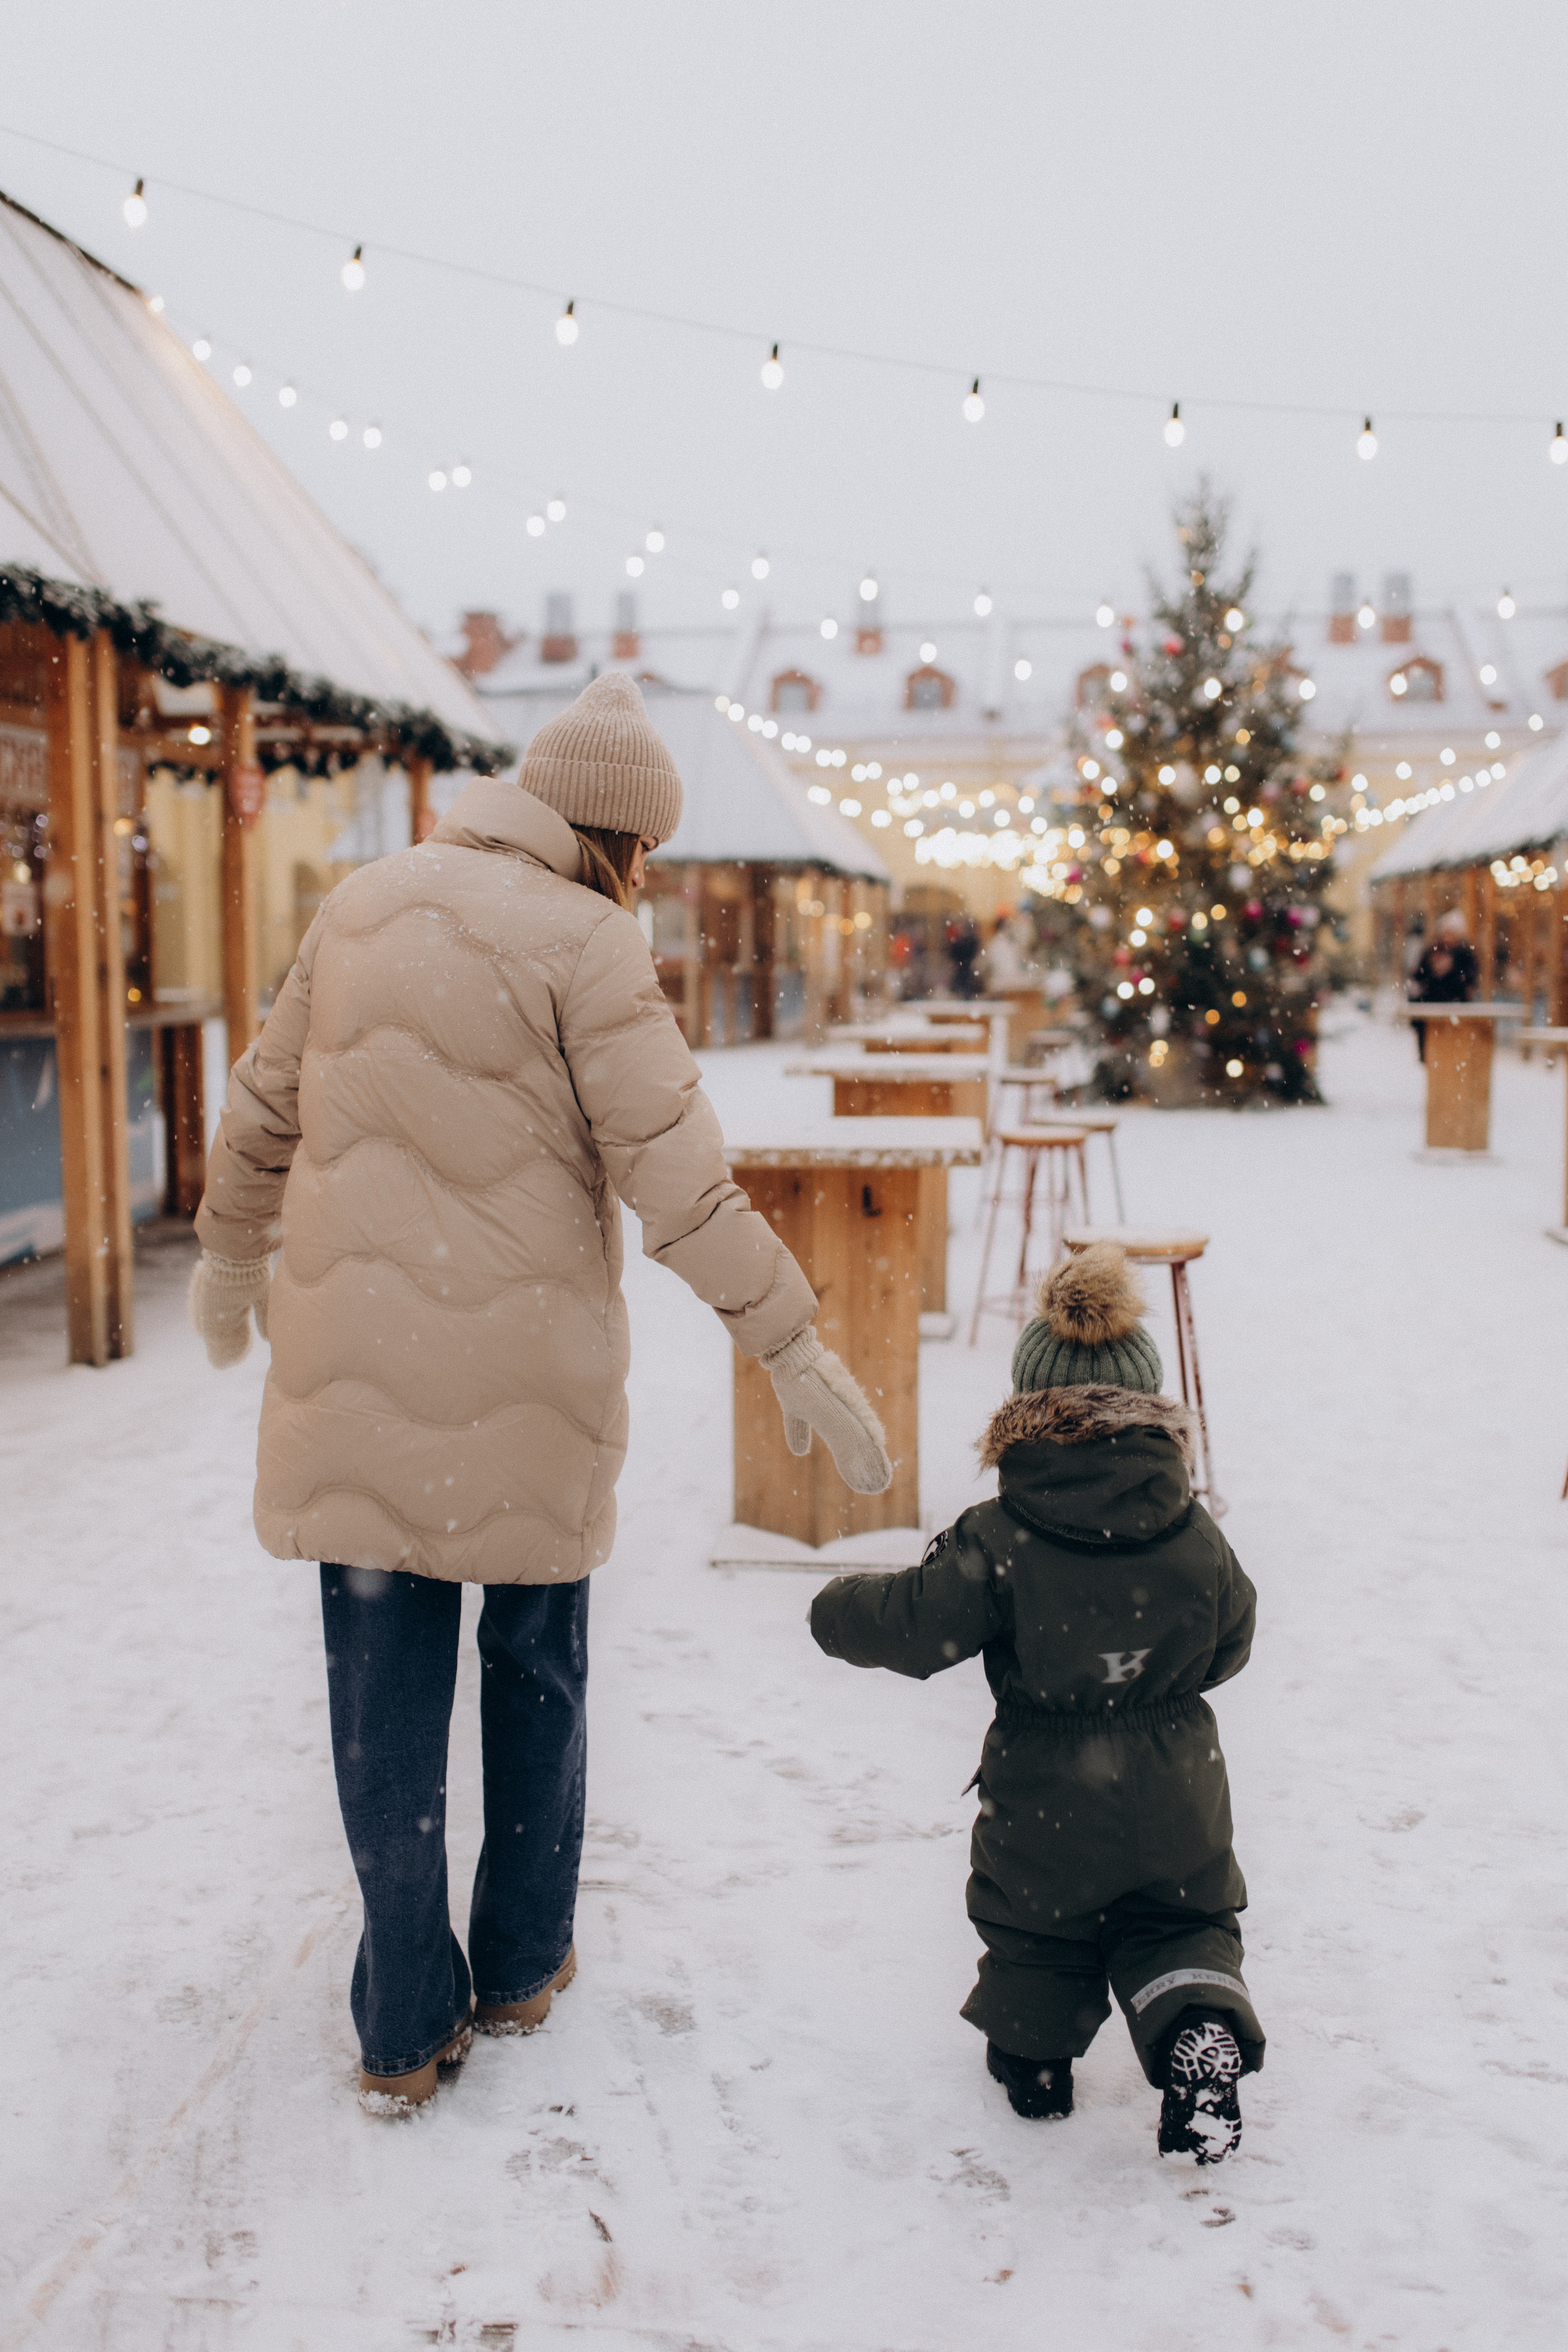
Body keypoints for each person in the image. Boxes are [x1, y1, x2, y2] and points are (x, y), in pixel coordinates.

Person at [188, 673, 891, 2114]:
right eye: (645, 848)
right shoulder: (588, 941)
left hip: (354, 1377)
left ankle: (402, 2022)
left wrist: (227, 1254)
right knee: (534, 1671)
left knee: (381, 1706)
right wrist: (789, 1342)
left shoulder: (360, 902)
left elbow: (262, 1105)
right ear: (609, 835)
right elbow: (679, 1182)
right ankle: (515, 1962)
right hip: (527, 1386)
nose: (647, 873)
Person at [809, 1242, 1262, 2165]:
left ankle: (1036, 2061)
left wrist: (836, 1608)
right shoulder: (1193, 1530)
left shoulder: (1002, 1534)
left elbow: (916, 1627)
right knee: (1180, 1921)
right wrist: (1150, 1678)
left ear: (1028, 1411)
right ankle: (1194, 2027)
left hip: (1048, 1791)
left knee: (1037, 1926)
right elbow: (1233, 1638)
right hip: (1179, 1785)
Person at [1409, 908, 1479, 1062]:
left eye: (1452, 933)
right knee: (1432, 1048)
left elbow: (1470, 978)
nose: (1448, 937)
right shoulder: (1432, 951)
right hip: (1432, 1005)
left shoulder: (1464, 954)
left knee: (1453, 1049)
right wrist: (1432, 968)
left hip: (1455, 1005)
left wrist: (1452, 971)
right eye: (1446, 932)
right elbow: (1418, 975)